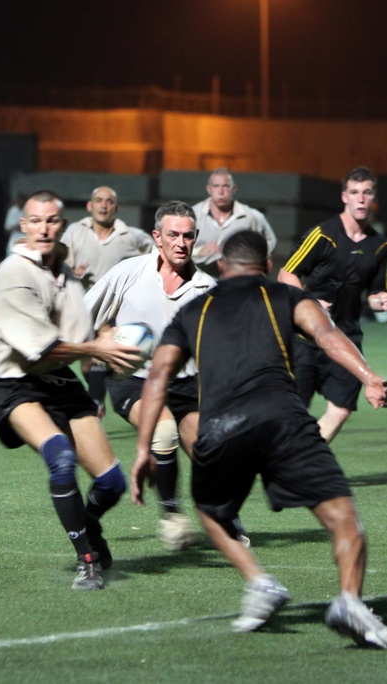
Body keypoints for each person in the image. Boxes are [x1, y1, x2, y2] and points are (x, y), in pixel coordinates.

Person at [130, 231, 387, 649]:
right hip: (283, 421)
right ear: (269, 265)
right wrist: (369, 376)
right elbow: (328, 336)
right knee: (343, 518)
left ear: (221, 268)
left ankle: (259, 582)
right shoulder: (288, 297)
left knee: (210, 511)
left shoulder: (193, 311)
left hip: (222, 427)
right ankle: (349, 601)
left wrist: (142, 448)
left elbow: (158, 378)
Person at [0, 190, 145, 589]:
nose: (43, 228)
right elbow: (40, 349)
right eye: (35, 220)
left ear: (63, 225)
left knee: (111, 483)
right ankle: (86, 559)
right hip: (15, 384)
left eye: (52, 220)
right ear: (23, 225)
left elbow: (78, 331)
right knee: (60, 458)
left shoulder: (65, 271)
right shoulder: (12, 274)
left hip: (59, 382)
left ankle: (87, 524)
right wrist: (96, 347)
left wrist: (107, 334)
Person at [84, 200, 247, 551]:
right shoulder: (129, 272)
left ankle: (223, 513)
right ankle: (172, 516)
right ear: (157, 237)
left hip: (186, 384)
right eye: (173, 235)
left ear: (195, 237)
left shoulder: (206, 288)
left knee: (210, 451)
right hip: (134, 380)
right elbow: (82, 314)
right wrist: (101, 339)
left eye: (188, 236)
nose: (181, 243)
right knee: (163, 430)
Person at [277, 166, 387, 443]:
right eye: (355, 193)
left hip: (346, 338)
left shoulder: (379, 246)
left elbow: (376, 294)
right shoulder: (322, 235)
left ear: (373, 197)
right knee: (295, 408)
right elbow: (286, 274)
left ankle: (304, 456)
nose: (361, 199)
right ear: (345, 197)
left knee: (341, 409)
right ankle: (287, 457)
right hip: (306, 337)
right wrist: (310, 304)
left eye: (367, 193)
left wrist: (380, 302)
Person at [61, 186, 154, 419]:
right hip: (83, 307)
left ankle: (95, 403)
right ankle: (100, 391)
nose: (104, 205)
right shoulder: (75, 231)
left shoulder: (130, 235)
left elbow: (155, 253)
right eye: (99, 200)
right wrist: (71, 271)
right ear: (89, 206)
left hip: (114, 308)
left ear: (116, 207)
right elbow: (59, 259)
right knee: (87, 364)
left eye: (109, 201)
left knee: (98, 358)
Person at [191, 167, 277, 274]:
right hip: (200, 278)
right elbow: (179, 244)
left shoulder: (250, 216)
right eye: (216, 186)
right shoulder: (193, 215)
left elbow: (270, 239)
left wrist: (255, 257)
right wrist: (199, 251)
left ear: (234, 188)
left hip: (239, 278)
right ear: (209, 189)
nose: (221, 192)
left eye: (226, 186)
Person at [3, 192, 25, 256]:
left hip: (25, 238)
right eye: (17, 200)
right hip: (14, 238)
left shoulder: (28, 210)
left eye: (20, 200)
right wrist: (15, 227)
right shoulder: (12, 210)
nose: (19, 201)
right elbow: (7, 228)